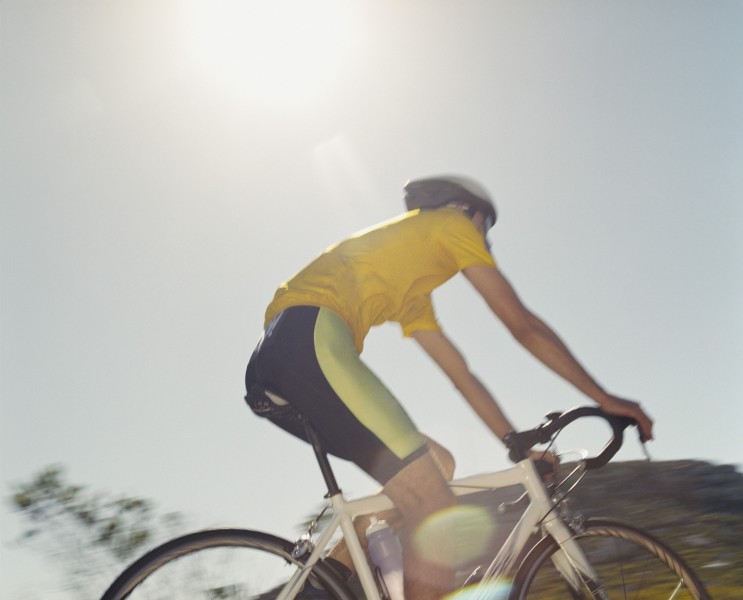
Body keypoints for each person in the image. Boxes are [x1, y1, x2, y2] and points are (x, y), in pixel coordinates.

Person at [244, 175, 654, 600]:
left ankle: (322, 584)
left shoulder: (413, 291)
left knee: (439, 463)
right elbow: (524, 327)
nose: (485, 238)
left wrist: (515, 445)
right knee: (434, 507)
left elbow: (462, 375)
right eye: (485, 225)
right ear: (466, 211)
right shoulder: (451, 225)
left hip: (282, 356)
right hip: (306, 341)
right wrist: (605, 399)